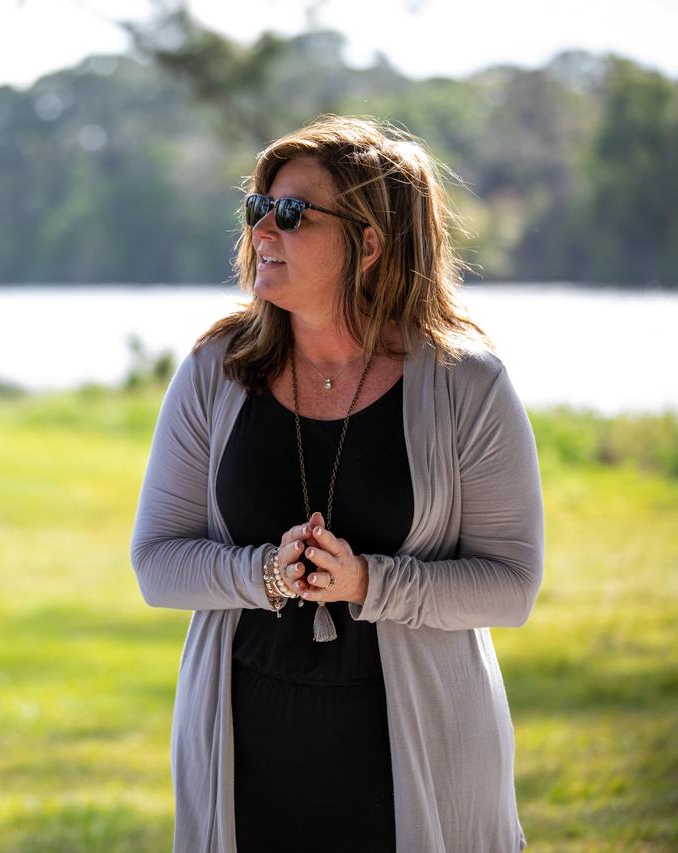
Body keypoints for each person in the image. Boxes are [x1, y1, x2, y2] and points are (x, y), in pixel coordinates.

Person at [130, 115, 543, 852]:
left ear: (370, 242)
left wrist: (367, 583)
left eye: (290, 213)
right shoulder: (214, 370)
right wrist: (263, 571)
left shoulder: (467, 384)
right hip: (245, 749)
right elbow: (157, 565)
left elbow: (510, 585)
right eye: (257, 209)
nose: (263, 231)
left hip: (424, 749)